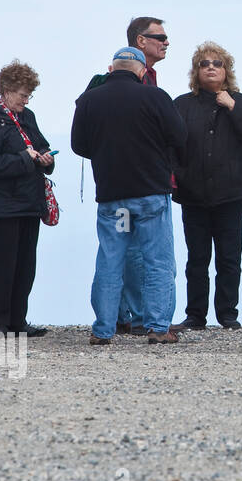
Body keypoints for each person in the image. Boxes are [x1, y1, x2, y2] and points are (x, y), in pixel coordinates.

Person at [71, 47, 187, 345]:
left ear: (111, 69)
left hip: (112, 198)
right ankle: (158, 328)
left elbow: (78, 145)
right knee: (157, 260)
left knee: (111, 260)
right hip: (150, 195)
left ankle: (103, 330)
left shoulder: (89, 100)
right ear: (140, 72)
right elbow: (179, 136)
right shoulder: (155, 97)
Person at [172, 42, 242, 330]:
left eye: (217, 63)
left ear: (227, 71)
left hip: (231, 193)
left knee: (229, 258)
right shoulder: (182, 104)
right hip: (193, 193)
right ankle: (195, 315)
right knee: (196, 259)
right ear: (196, 71)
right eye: (204, 63)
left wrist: (233, 106)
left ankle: (228, 314)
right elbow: (171, 143)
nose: (210, 67)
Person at [0, 60, 54, 337]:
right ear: (6, 90)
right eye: (22, 95)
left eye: (29, 95)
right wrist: (24, 159)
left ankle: (17, 321)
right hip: (2, 206)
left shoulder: (26, 117)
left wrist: (44, 158)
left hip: (29, 203)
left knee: (25, 266)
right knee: (1, 265)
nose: (26, 100)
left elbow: (41, 145)